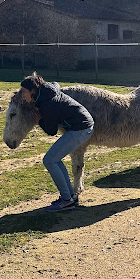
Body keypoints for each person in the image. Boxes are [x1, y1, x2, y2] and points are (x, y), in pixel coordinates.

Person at [19, 72, 94, 212]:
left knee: (49, 160)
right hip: (83, 126)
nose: (23, 95)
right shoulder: (48, 90)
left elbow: (51, 131)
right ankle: (71, 196)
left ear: (33, 91)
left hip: (81, 129)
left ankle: (67, 200)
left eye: (24, 92)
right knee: (55, 159)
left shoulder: (48, 104)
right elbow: (56, 84)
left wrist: (39, 119)